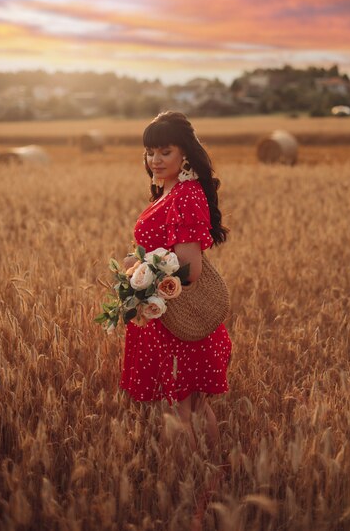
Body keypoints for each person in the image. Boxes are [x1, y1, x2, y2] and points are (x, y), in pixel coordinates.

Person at [119, 111, 232, 456]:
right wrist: (134, 268)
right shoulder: (168, 190)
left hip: (177, 318)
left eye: (164, 151)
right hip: (162, 315)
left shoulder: (186, 195)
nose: (155, 159)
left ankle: (190, 489)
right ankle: (209, 480)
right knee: (190, 406)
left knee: (180, 410)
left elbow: (189, 268)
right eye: (150, 151)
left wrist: (142, 275)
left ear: (185, 152)